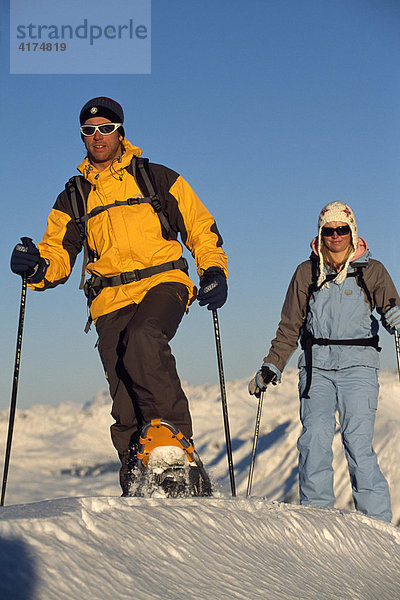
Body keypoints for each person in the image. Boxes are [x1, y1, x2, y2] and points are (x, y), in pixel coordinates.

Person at [10, 96, 228, 496]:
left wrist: (212, 269)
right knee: (124, 394)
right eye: (89, 131)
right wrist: (38, 267)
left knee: (144, 340)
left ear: (120, 132)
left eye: (105, 128)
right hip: (109, 300)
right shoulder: (73, 197)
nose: (97, 136)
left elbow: (199, 225)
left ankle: (175, 451)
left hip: (164, 283)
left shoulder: (156, 178)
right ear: (82, 137)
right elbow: (58, 251)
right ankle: (137, 484)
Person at [249, 201, 399, 522]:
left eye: (342, 230)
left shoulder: (370, 271)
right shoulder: (307, 273)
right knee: (314, 439)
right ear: (321, 233)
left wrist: (393, 315)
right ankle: (318, 520)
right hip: (316, 368)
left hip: (358, 368)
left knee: (357, 444)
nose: (335, 236)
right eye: (328, 230)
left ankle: (378, 525)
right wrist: (272, 365)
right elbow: (290, 325)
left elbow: (390, 306)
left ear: (352, 231)